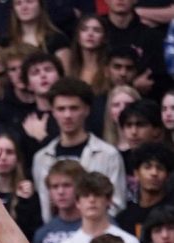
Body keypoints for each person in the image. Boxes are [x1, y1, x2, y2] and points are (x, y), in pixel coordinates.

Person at [32, 78, 127, 222]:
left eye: (74, 108)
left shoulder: (108, 154)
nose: (67, 115)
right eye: (61, 109)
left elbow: (117, 204)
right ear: (53, 112)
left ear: (86, 110)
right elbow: (43, 206)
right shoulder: (41, 158)